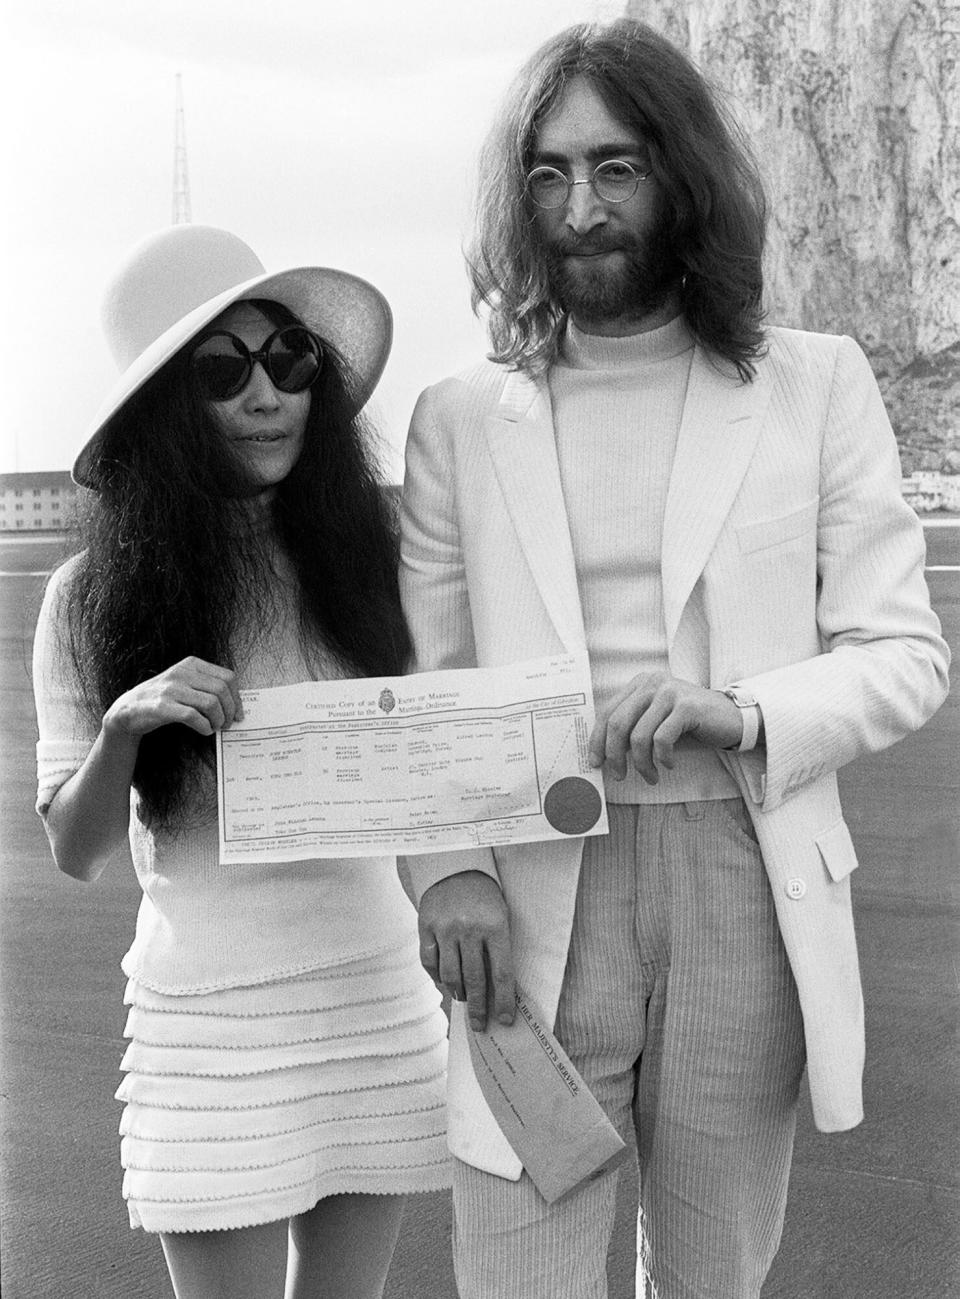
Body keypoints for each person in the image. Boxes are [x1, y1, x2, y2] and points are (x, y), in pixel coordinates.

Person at [398, 19, 950, 1299]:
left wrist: (742, 711)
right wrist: (447, 878)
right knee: (519, 1277)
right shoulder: (459, 420)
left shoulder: (816, 385)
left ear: (682, 176)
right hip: (526, 894)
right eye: (545, 174)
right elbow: (427, 682)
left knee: (712, 1279)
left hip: (742, 885)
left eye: (615, 167)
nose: (577, 207)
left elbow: (903, 651)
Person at [32, 224, 449, 1299]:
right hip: (211, 1025)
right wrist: (128, 726)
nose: (267, 395)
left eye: (289, 360)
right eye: (224, 371)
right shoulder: (87, 598)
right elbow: (75, 852)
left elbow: (461, 745)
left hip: (374, 993)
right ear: (168, 410)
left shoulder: (380, 564)